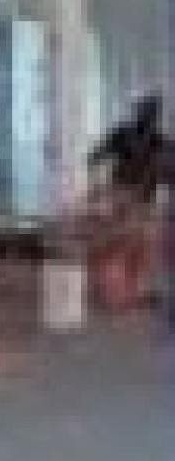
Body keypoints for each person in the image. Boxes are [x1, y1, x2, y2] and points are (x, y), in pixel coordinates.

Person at [86, 94, 167, 312]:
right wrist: (98, 190)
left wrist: (98, 188)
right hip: (124, 197)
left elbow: (94, 158)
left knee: (139, 246)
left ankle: (129, 292)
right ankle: (115, 293)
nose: (146, 119)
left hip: (139, 201)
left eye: (150, 115)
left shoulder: (159, 143)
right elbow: (95, 158)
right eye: (145, 113)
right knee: (122, 245)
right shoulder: (127, 135)